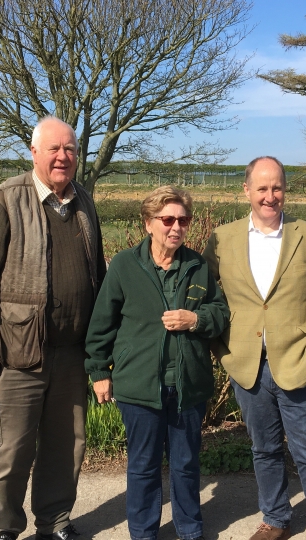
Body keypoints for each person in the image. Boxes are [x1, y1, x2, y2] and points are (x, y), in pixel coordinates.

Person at [0, 116, 106, 540]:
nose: (63, 157)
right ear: (34, 153)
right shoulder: (5, 200)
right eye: (54, 149)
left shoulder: (84, 201)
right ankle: (3, 527)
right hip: (17, 352)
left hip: (71, 354)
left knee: (67, 448)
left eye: (70, 149)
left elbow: (95, 270)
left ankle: (55, 521)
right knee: (10, 450)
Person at [202, 156, 306, 540]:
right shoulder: (221, 238)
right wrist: (221, 347)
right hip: (246, 365)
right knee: (263, 450)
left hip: (300, 360)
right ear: (246, 190)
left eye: (277, 187)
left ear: (286, 190)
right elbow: (207, 296)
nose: (270, 196)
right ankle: (276, 519)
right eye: (262, 188)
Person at [85, 186, 228, 540]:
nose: (176, 227)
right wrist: (99, 371)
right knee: (143, 466)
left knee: (185, 465)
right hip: (140, 385)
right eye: (167, 220)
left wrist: (194, 320)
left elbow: (220, 311)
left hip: (187, 385)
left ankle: (190, 530)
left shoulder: (196, 266)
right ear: (149, 223)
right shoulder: (124, 265)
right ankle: (144, 532)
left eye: (183, 219)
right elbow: (102, 322)